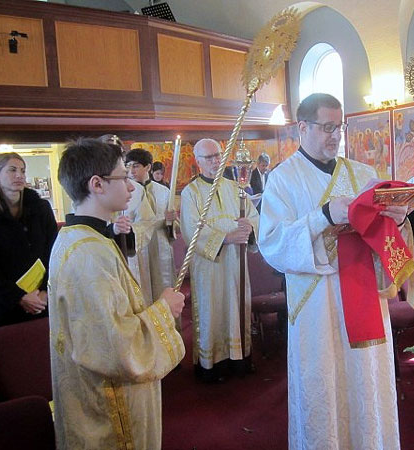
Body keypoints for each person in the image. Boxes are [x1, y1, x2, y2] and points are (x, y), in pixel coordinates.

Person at [258, 93, 408, 450]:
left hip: (364, 298)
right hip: (317, 304)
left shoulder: (363, 174)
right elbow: (272, 244)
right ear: (302, 127)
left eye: (338, 127)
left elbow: (384, 238)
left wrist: (397, 221)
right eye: (326, 127)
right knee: (321, 384)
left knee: (366, 379)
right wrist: (323, 216)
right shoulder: (283, 180)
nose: (334, 136)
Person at [49, 138, 185, 450]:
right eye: (123, 177)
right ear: (96, 184)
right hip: (108, 410)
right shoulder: (88, 255)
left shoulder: (82, 238)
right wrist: (165, 309)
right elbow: (115, 346)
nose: (132, 186)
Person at [180, 138, 259, 382]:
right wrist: (226, 238)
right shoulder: (190, 192)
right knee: (212, 310)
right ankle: (210, 365)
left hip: (236, 262)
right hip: (210, 265)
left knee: (237, 306)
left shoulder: (235, 187)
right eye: (209, 157)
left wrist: (250, 228)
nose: (216, 160)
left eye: (218, 155)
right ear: (198, 161)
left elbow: (254, 217)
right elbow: (190, 231)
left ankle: (239, 358)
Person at [0, 153, 57, 333]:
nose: (20, 175)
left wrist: (45, 292)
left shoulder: (41, 209)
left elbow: (54, 254)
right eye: (12, 170)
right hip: (5, 306)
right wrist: (19, 297)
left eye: (23, 171)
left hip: (42, 301)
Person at [126, 149, 176, 308]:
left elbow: (174, 226)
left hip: (160, 243)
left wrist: (171, 221)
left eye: (136, 166)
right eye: (128, 166)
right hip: (138, 247)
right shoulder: (126, 192)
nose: (131, 171)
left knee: (163, 285)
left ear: (148, 167)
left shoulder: (163, 191)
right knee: (142, 289)